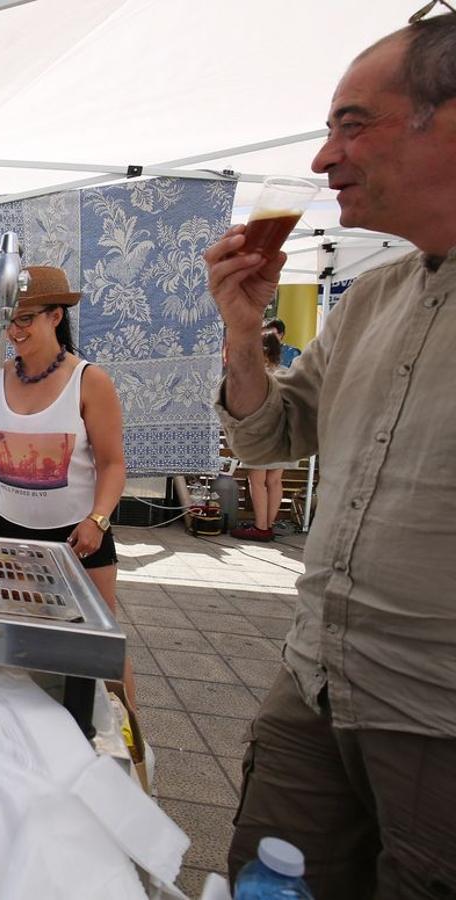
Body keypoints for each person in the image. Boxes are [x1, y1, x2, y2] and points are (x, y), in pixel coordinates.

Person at [206, 16, 456, 897]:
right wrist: (244, 341)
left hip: (436, 721)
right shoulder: (369, 300)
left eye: (352, 124)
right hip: (313, 680)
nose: (322, 159)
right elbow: (273, 437)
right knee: (266, 881)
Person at [0, 266, 131, 703]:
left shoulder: (90, 381)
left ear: (55, 316)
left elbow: (113, 463)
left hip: (78, 534)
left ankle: (129, 750)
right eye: (8, 318)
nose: (14, 330)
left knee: (101, 646)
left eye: (26, 318)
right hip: (6, 530)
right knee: (15, 642)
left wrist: (98, 520)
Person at [229, 333, 290, 542]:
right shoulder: (286, 374)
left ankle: (260, 526)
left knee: (257, 480)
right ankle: (269, 525)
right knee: (274, 481)